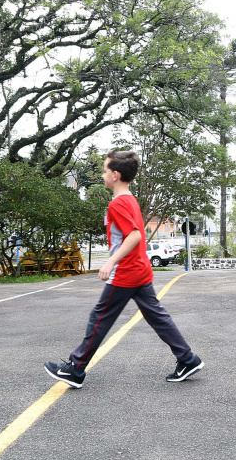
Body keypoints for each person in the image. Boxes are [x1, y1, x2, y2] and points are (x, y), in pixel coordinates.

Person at [45, 150, 203, 388]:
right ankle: (188, 359)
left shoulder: (118, 204)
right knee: (158, 318)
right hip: (140, 270)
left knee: (99, 318)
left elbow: (135, 236)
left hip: (126, 272)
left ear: (115, 175)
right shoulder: (130, 199)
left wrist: (110, 262)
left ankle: (75, 369)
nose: (102, 174)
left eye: (105, 170)